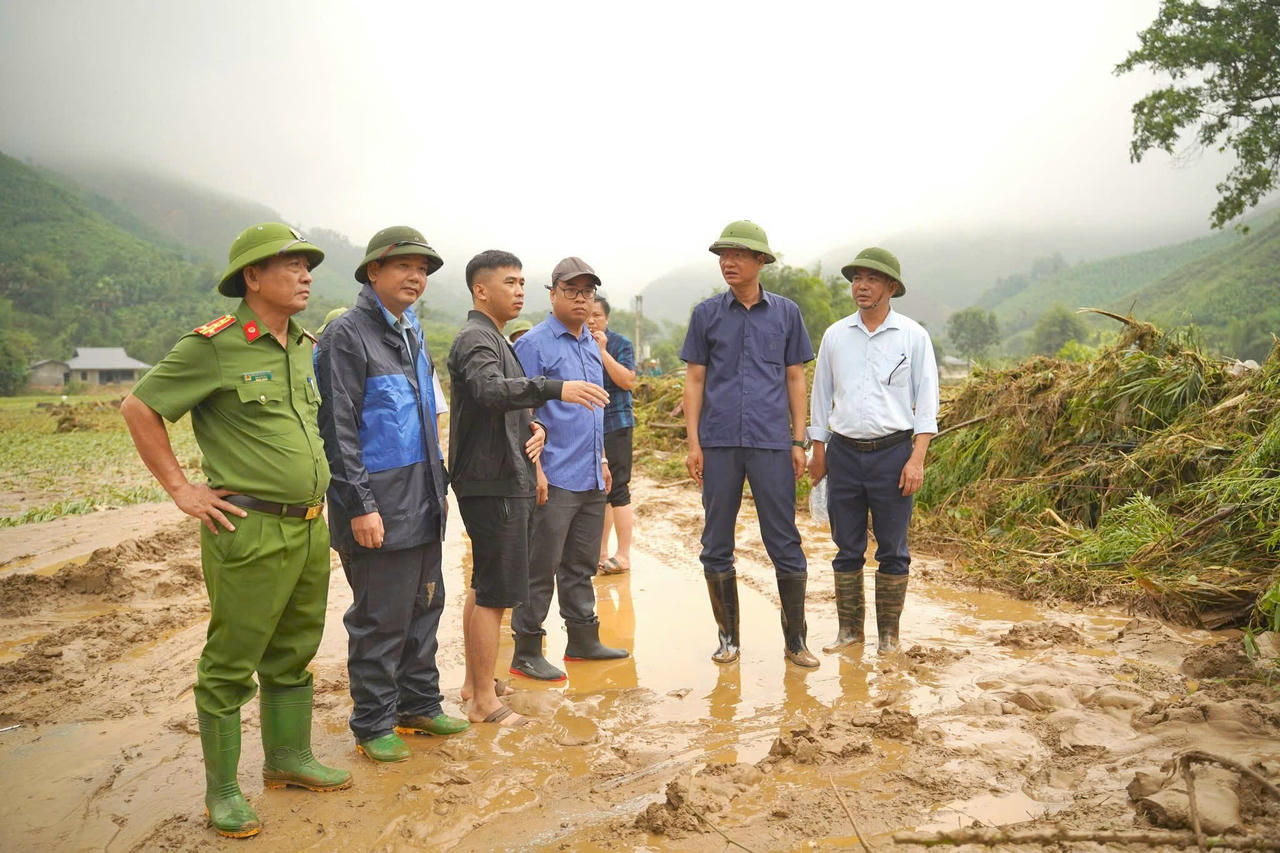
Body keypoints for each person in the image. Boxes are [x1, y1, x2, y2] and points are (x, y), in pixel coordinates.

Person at [120, 223, 350, 839]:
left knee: (295, 649)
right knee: (229, 663)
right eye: (291, 265)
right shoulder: (213, 345)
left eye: (308, 266)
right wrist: (180, 489)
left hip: (307, 527)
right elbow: (139, 408)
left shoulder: (303, 342)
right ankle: (222, 791)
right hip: (248, 527)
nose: (306, 276)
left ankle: (288, 760)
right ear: (252, 277)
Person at [314, 226, 470, 764]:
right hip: (377, 504)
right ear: (373, 272)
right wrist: (360, 506)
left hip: (424, 499)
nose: (416, 277)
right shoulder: (347, 335)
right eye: (404, 265)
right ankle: (374, 722)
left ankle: (419, 705)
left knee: (426, 606)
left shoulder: (411, 332)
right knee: (381, 617)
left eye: (423, 270)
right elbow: (338, 428)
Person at [447, 250, 609, 724]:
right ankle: (483, 702)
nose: (518, 291)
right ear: (481, 290)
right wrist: (555, 389)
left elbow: (507, 406)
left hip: (507, 471)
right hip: (492, 477)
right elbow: (490, 391)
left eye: (521, 282)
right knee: (500, 589)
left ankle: (476, 683)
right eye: (509, 283)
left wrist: (531, 430)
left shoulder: (495, 339)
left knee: (487, 584)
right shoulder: (479, 339)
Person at [680, 220, 818, 668]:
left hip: (771, 442)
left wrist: (799, 439)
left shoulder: (786, 313)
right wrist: (693, 442)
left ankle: (795, 642)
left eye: (738, 255)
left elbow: (795, 376)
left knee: (783, 538)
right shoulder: (706, 314)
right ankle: (728, 640)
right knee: (715, 540)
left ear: (761, 261)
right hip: (718, 442)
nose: (728, 262)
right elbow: (695, 379)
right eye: (723, 255)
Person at [807, 247, 938, 654]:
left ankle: (889, 638)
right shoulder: (835, 335)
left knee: (893, 549)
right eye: (856, 279)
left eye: (871, 279)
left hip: (893, 455)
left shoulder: (913, 337)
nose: (860, 286)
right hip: (844, 454)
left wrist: (917, 459)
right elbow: (821, 395)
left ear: (891, 287)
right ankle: (849, 633)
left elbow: (928, 402)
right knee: (846, 546)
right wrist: (818, 450)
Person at [511, 257, 628, 680]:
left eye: (588, 291)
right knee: (540, 566)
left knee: (580, 564)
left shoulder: (590, 344)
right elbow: (522, 409)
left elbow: (594, 408)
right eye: (572, 290)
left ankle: (582, 639)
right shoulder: (535, 344)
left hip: (590, 474)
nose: (581, 298)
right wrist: (536, 470)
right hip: (553, 475)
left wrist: (601, 461)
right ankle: (526, 649)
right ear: (553, 293)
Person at [588, 295, 636, 574]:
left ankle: (624, 554)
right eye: (588, 315)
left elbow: (627, 381)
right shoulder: (577, 342)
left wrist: (603, 351)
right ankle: (601, 552)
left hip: (616, 423)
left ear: (606, 318)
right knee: (598, 490)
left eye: (597, 315)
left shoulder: (620, 344)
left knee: (618, 488)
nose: (592, 320)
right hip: (588, 426)